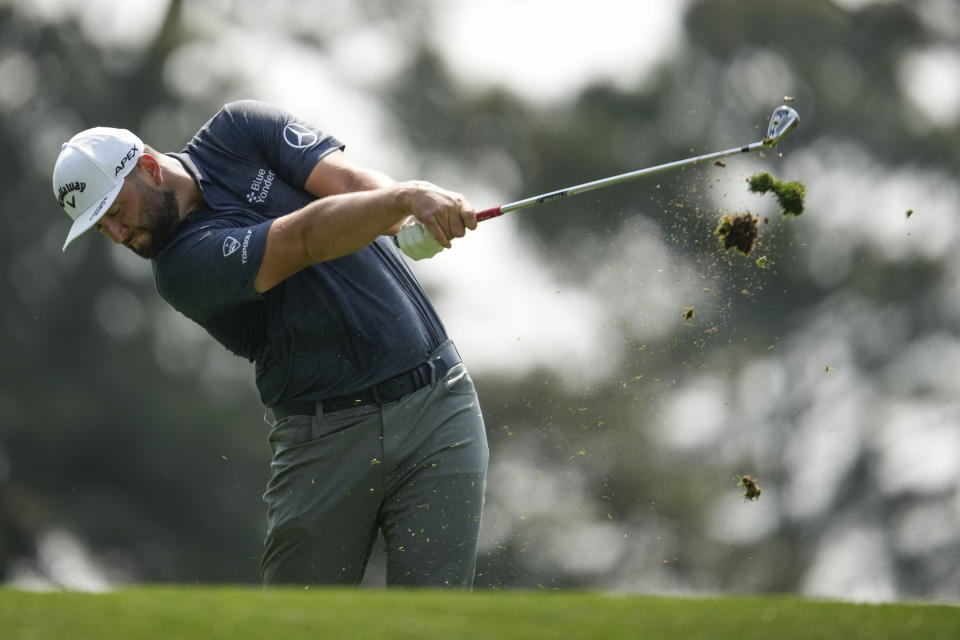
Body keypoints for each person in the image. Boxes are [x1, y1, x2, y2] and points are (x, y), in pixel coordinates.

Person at [51, 100, 489, 588]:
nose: (117, 234)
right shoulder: (179, 270)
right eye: (102, 227)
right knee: (299, 624)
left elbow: (348, 184)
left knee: (435, 617)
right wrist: (405, 200)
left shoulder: (239, 129)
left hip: (439, 406)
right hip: (326, 441)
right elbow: (302, 240)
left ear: (150, 168)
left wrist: (407, 217)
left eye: (116, 212)